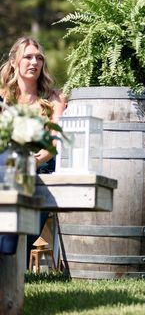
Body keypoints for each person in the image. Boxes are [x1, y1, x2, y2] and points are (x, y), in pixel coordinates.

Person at [0, 36, 67, 256]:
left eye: (39, 58)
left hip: (39, 171)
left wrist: (34, 160)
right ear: (14, 62)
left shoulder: (54, 99)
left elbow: (55, 142)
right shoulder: (2, 98)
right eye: (27, 57)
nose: (34, 62)